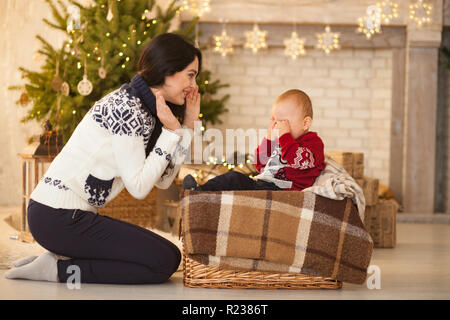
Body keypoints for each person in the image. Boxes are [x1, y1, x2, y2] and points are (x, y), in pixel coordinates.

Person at [5, 33, 201, 284]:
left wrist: (186, 126)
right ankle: (57, 270)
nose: (194, 85)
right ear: (168, 70)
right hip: (56, 216)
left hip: (73, 216)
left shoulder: (148, 110)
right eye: (190, 74)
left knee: (170, 257)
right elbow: (139, 187)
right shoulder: (126, 108)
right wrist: (172, 133)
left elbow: (163, 180)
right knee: (162, 262)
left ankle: (59, 262)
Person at [183, 89, 325, 191]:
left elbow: (298, 160)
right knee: (233, 178)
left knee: (234, 179)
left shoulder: (313, 142)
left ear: (305, 123)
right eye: (276, 120)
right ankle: (200, 191)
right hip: (265, 184)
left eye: (284, 121)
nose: (279, 126)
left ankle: (200, 193)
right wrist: (269, 136)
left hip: (285, 191)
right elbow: (260, 164)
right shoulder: (281, 141)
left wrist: (284, 136)